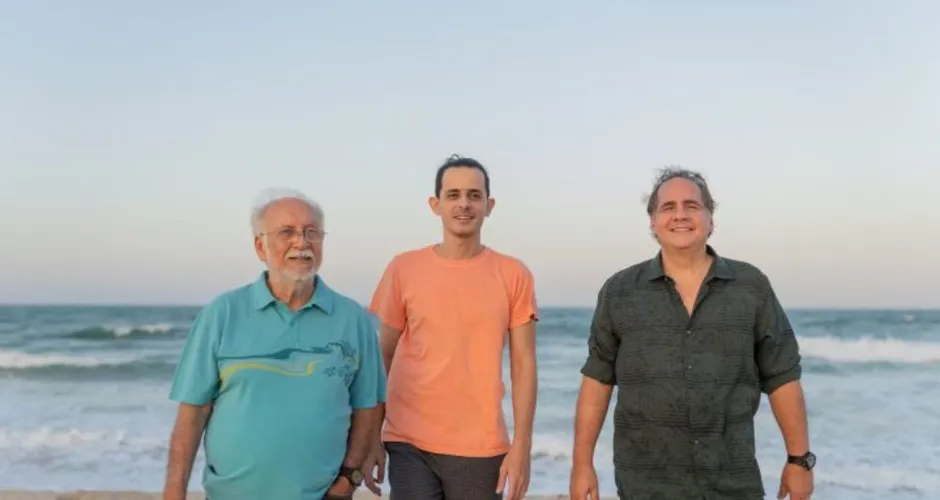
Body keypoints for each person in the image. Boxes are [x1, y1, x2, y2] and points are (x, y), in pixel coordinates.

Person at [569, 167, 815, 500]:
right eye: (668, 207)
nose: (680, 215)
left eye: (692, 205)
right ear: (653, 222)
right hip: (644, 486)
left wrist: (799, 461)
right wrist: (581, 464)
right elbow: (597, 380)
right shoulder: (620, 291)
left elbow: (782, 375)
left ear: (711, 220)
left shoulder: (750, 286)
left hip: (732, 485)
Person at [162, 188, 386, 500]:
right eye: (287, 232)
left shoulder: (353, 319)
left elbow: (368, 405)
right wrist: (174, 492)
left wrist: (349, 479)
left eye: (312, 232)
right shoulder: (222, 313)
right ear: (260, 246)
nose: (302, 242)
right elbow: (193, 410)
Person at [361, 155, 539, 500]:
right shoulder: (404, 268)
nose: (464, 204)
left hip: (482, 445)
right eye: (453, 195)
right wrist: (370, 437)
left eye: (474, 195)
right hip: (408, 440)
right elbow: (383, 357)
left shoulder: (513, 274)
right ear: (436, 204)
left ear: (489, 206)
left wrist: (522, 447)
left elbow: (524, 365)